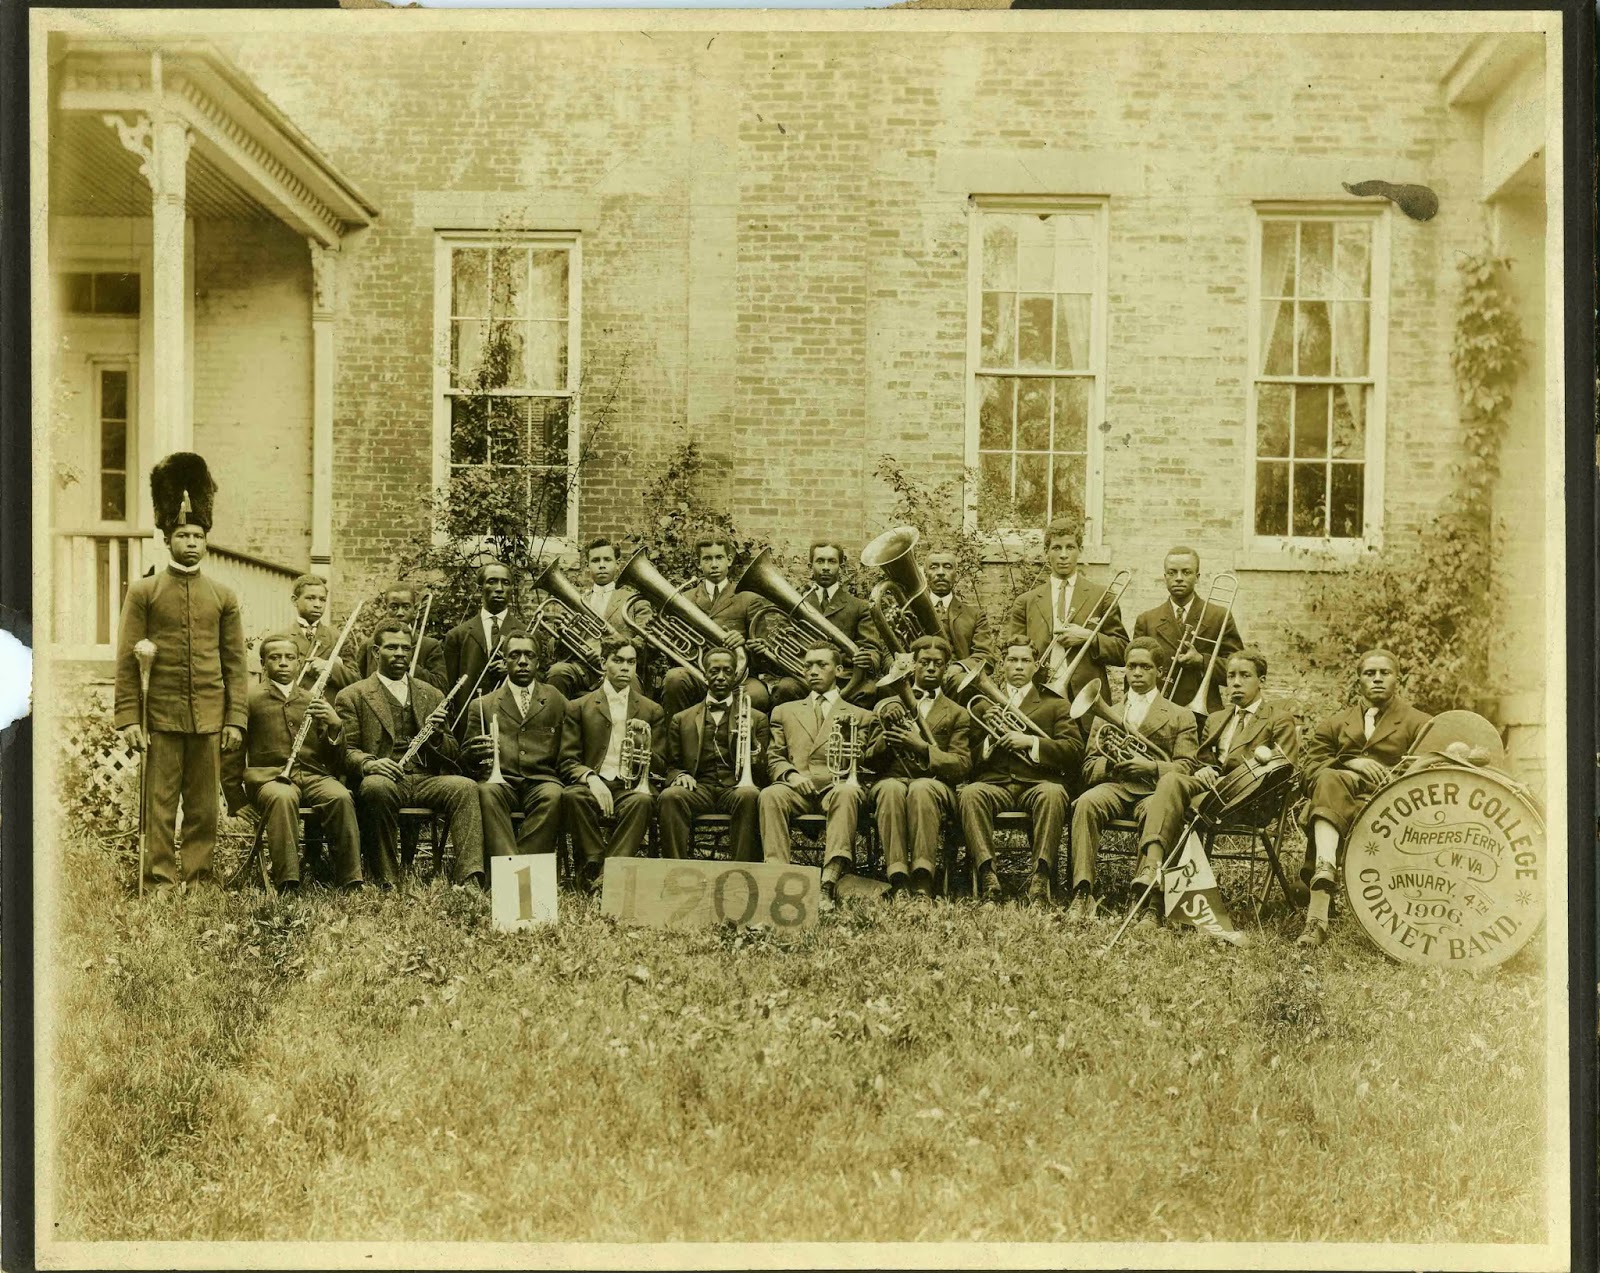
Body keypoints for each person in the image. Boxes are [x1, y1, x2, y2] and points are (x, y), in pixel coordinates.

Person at [1072, 647, 1298, 921]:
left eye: (1245, 675)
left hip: (1250, 798)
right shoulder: (1217, 718)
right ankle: (1152, 868)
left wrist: (1230, 777)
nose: (1235, 682)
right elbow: (1200, 760)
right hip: (1213, 796)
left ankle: (1152, 887)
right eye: (1230, 676)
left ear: (1261, 679)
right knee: (1173, 781)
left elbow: (1283, 769)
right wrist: (1204, 769)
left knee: (1170, 786)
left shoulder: (1278, 718)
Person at [114, 452, 247, 892]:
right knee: (160, 802)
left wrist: (235, 719)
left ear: (206, 540)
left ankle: (200, 876)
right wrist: (130, 718)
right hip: (162, 714)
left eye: (197, 535)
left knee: (205, 805)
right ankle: (159, 880)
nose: (191, 542)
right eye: (182, 534)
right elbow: (127, 658)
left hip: (209, 715)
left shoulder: (223, 595)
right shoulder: (144, 591)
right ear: (168, 538)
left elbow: (235, 664)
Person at [1295, 648, 1432, 949]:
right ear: (1358, 681)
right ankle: (1320, 898)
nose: (1378, 679)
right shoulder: (1334, 724)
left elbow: (1427, 774)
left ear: (1398, 678)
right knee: (1329, 783)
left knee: (1324, 807)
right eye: (1370, 674)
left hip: (1392, 808)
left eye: (1385, 673)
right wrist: (1349, 763)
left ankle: (1322, 878)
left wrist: (1388, 776)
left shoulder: (1419, 723)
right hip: (1340, 803)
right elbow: (1308, 773)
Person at [336, 622, 486, 889]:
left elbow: (453, 755)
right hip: (386, 778)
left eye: (406, 648)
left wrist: (438, 735)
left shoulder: (432, 694)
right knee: (374, 788)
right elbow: (346, 753)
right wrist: (371, 764)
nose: (400, 654)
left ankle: (469, 878)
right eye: (392, 647)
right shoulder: (352, 695)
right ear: (375, 651)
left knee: (465, 787)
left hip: (426, 779)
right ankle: (387, 879)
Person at [1067, 637, 1199, 916]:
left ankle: (1143, 898)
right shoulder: (1107, 713)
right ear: (1124, 670)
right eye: (1131, 666)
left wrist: (1150, 767)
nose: (1137, 672)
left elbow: (1186, 766)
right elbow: (1089, 766)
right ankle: (1082, 891)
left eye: (1145, 667)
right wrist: (1114, 763)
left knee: (1157, 812)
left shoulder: (1181, 715)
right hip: (1115, 786)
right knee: (1085, 803)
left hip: (1154, 792)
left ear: (1160, 672)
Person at [955, 641, 1083, 905]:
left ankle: (1041, 877)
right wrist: (990, 742)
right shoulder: (982, 705)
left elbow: (1073, 751)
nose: (1018, 666)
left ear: (1036, 666)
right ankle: (987, 874)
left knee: (1054, 793)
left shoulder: (1055, 705)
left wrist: (1031, 743)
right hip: (995, 784)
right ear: (1002, 665)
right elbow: (966, 758)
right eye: (1012, 660)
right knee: (970, 793)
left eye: (1025, 661)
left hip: (1036, 783)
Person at [759, 643, 883, 907]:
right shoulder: (784, 711)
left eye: (821, 665)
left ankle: (829, 880)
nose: (813, 671)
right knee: (770, 794)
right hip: (797, 790)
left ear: (839, 670)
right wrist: (791, 776)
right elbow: (774, 757)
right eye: (808, 666)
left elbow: (859, 758)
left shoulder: (861, 715)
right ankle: (778, 878)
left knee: (847, 792)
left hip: (836, 789)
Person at [242, 633, 362, 891]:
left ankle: (351, 879)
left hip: (312, 775)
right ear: (263, 664)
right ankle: (288, 881)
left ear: (299, 663)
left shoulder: (312, 699)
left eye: (290, 658)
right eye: (275, 658)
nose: (283, 663)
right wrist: (235, 798)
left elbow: (334, 759)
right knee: (282, 797)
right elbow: (232, 752)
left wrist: (335, 727)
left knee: (340, 796)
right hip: (269, 777)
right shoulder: (249, 699)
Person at [560, 637, 667, 893]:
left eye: (631, 662)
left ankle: (607, 875)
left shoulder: (652, 710)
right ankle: (596, 862)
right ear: (603, 663)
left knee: (642, 802)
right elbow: (567, 759)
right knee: (572, 796)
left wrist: (645, 745)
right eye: (617, 661)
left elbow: (662, 764)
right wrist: (591, 778)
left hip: (629, 787)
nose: (625, 668)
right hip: (593, 785)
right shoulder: (579, 706)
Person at [870, 635, 971, 900]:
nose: (930, 668)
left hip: (936, 785)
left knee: (921, 788)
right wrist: (886, 734)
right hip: (892, 779)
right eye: (924, 662)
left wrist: (920, 747)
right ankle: (898, 878)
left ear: (946, 668)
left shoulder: (958, 713)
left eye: (937, 663)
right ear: (912, 665)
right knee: (892, 788)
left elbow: (961, 764)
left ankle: (923, 877)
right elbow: (867, 758)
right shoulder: (888, 704)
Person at [458, 632, 570, 863]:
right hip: (502, 782)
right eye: (515, 655)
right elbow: (466, 761)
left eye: (529, 655)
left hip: (541, 781)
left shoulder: (556, 699)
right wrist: (472, 753)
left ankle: (519, 868)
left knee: (554, 795)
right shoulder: (483, 704)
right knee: (486, 792)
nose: (522, 661)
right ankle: (510, 870)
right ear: (504, 660)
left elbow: (569, 744)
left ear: (538, 661)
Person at [659, 648, 770, 863]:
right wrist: (679, 774)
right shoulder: (682, 719)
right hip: (699, 788)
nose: (720, 677)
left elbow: (763, 770)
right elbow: (671, 764)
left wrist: (754, 749)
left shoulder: (757, 718)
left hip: (735, 788)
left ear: (736, 675)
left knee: (750, 796)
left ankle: (742, 870)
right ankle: (673, 868)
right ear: (704, 674)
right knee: (670, 796)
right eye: (714, 671)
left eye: (727, 671)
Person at [1003, 520, 1128, 700]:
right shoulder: (1026, 601)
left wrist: (1088, 637)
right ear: (1046, 552)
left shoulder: (1102, 596)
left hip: (1085, 699)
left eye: (1070, 547)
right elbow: (1013, 654)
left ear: (1080, 551)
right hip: (1038, 695)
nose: (1063, 555)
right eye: (1056, 548)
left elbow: (1122, 652)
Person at [659, 535, 769, 717]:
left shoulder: (748, 598)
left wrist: (743, 644)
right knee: (674, 679)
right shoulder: (684, 599)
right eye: (707, 559)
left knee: (758, 695)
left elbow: (763, 655)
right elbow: (674, 655)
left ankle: (742, 745)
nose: (714, 564)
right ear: (698, 563)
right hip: (697, 674)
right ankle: (678, 742)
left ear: (729, 560)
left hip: (737, 677)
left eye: (719, 557)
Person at [762, 541, 882, 708]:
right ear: (811, 565)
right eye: (820, 561)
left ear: (841, 565)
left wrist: (868, 659)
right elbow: (781, 645)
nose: (826, 567)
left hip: (844, 678)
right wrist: (766, 649)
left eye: (832, 561)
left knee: (868, 690)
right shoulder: (794, 604)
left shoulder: (859, 606)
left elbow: (871, 648)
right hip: (806, 677)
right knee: (785, 688)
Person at [1132, 546, 1243, 719]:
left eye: (1186, 572)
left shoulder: (1219, 616)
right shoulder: (1147, 620)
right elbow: (1133, 671)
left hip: (1203, 713)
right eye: (1172, 572)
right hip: (1156, 713)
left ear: (1197, 577)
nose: (1178, 578)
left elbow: (1239, 669)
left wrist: (1201, 660)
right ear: (1165, 577)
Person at [544, 537, 639, 700]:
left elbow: (645, 642)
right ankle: (556, 725)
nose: (601, 565)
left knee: (632, 680)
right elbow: (558, 654)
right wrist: (561, 635)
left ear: (618, 564)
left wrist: (611, 651)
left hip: (620, 666)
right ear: (588, 566)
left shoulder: (633, 601)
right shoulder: (577, 601)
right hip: (583, 670)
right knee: (557, 672)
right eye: (595, 560)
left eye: (607, 559)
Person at [261, 573, 357, 694]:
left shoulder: (338, 638)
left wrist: (330, 668)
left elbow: (355, 680)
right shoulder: (279, 639)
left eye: (322, 600)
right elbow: (267, 684)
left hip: (327, 709)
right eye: (310, 598)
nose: (317, 604)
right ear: (295, 600)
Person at [442, 562, 521, 699]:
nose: (499, 588)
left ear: (512, 589)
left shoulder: (528, 633)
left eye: (506, 583)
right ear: (479, 589)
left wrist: (513, 670)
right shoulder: (457, 635)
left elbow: (538, 682)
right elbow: (447, 685)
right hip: (470, 716)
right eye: (492, 582)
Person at [360, 585, 448, 691]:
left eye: (406, 607)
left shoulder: (429, 646)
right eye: (394, 607)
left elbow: (441, 686)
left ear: (414, 609)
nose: (400, 613)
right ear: (385, 608)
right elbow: (359, 683)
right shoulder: (369, 645)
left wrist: (408, 665)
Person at [924, 547, 995, 670]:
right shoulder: (911, 611)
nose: (940, 572)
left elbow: (986, 656)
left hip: (958, 682)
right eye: (934, 567)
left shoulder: (975, 616)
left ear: (955, 574)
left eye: (947, 567)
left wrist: (960, 667)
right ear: (926, 574)